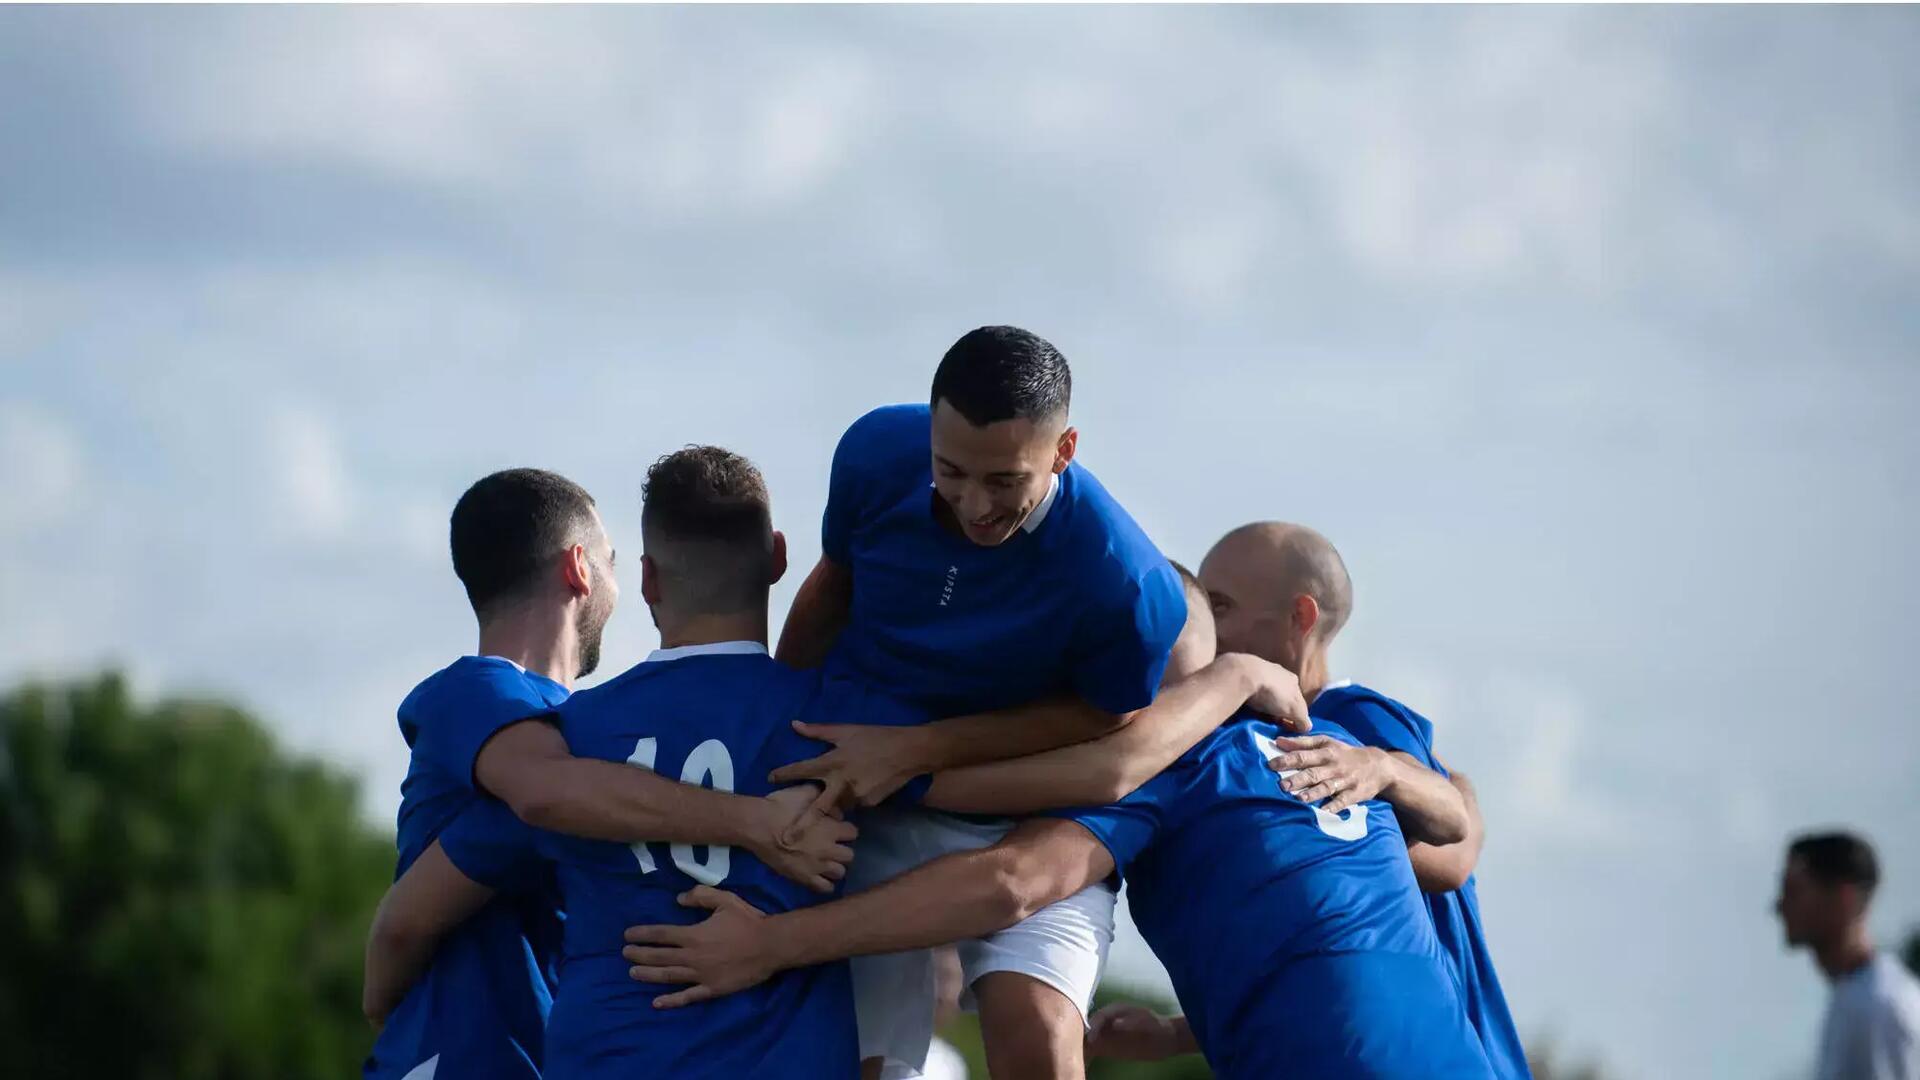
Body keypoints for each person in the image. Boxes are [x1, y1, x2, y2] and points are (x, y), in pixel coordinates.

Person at [367, 450, 1302, 1078]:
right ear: (776, 560)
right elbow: (1019, 813)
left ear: (650, 580)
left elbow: (425, 905)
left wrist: (380, 1002)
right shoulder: (845, 729)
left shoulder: (571, 738)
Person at [621, 565, 1492, 1079]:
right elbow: (1445, 854)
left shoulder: (1178, 768)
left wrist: (776, 941)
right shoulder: (1337, 745)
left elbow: (1013, 877)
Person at [773, 326, 1309, 1079]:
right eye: (951, 471)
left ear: (1063, 451)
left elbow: (1105, 719)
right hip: (858, 785)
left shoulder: (1127, 587)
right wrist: (770, 734)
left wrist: (922, 751)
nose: (973, 504)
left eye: (1004, 481)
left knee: (1042, 1045)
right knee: (863, 1062)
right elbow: (830, 591)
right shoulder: (873, 452)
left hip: (1021, 814)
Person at [362, 468, 852, 1080]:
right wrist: (760, 823)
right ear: (578, 567)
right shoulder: (485, 692)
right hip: (456, 1055)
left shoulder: (579, 726)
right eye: (612, 561)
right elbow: (539, 802)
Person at [1187, 520, 1530, 1078]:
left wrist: (1380, 766)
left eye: (1219, 607)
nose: (1202, 627)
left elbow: (1453, 856)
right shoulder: (1262, 734)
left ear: (1300, 618)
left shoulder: (1351, 717)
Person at [1777, 831, 1920, 1080]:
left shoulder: (1877, 1006)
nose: (1779, 906)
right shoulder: (1855, 995)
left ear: (1844, 898)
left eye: (1795, 891)